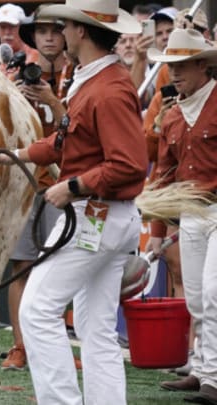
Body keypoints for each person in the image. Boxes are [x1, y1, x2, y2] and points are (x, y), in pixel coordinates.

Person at [0, 1, 148, 403]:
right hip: (106, 217)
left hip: (95, 214)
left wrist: (73, 187)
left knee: (37, 311)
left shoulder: (106, 87)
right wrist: (18, 154)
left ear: (81, 32)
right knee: (96, 329)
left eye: (65, 26)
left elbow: (130, 165)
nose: (59, 32)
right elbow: (67, 141)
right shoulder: (96, 77)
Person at [146, 28, 217, 404]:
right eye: (171, 65)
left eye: (183, 65)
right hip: (191, 214)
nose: (174, 73)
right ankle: (204, 371)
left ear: (203, 65)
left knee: (213, 292)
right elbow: (162, 176)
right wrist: (156, 232)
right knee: (196, 297)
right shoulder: (171, 117)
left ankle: (214, 377)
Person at [0, 6, 67, 372]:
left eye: (56, 30)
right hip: (24, 184)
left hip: (65, 184)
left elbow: (77, 131)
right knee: (21, 265)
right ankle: (20, 346)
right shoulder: (19, 71)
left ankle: (53, 345)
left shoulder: (77, 75)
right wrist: (9, 91)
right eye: (41, 32)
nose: (49, 37)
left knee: (59, 266)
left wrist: (55, 103)